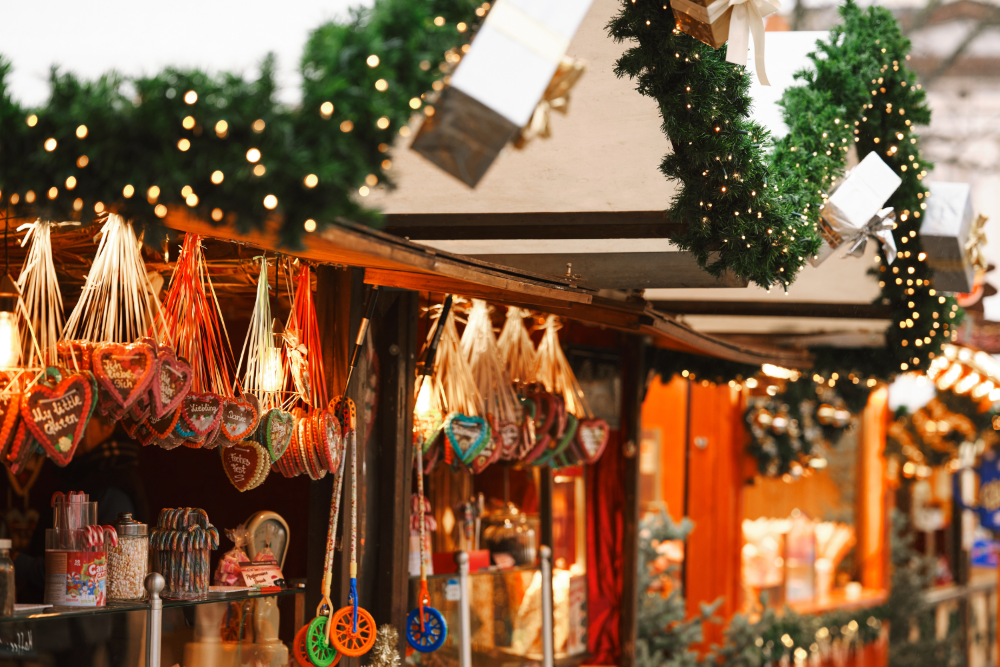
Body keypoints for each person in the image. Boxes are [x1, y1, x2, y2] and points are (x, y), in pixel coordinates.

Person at [14, 413, 149, 603]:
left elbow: (90, 571)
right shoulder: (78, 477)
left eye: (80, 422)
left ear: (107, 426)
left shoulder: (112, 488)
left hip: (83, 621)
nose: (71, 430)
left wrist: (16, 562)